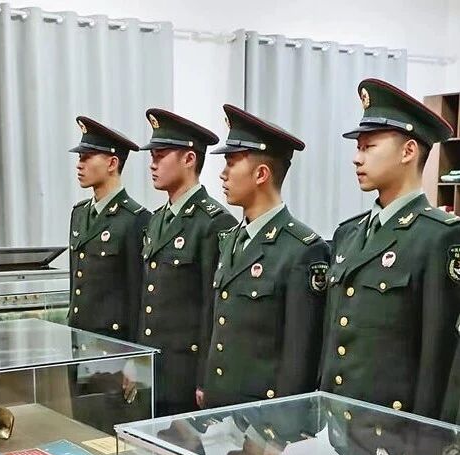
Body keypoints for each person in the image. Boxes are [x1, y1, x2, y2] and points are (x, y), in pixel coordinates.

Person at [320, 79, 460, 419]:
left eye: (369, 147)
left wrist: (426, 439)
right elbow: (333, 335)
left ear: (408, 151)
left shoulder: (438, 237)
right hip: (338, 421)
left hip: (394, 430)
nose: (356, 158)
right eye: (358, 148)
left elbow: (439, 355)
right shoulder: (348, 234)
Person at [201, 104, 329, 409]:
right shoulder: (232, 239)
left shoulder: (301, 248)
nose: (222, 174)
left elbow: (300, 353)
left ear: (261, 174)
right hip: (221, 405)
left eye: (231, 163)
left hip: (262, 413)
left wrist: (282, 422)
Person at [137, 108, 236, 417]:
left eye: (160, 156)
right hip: (153, 367)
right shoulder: (157, 220)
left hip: (185, 371)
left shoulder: (213, 222)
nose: (152, 164)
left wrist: (205, 377)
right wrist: (136, 361)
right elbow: (148, 299)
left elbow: (213, 307)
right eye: (152, 156)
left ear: (189, 159)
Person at [68, 116, 150, 341]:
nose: (79, 164)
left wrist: (135, 353)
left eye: (87, 157)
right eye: (79, 157)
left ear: (112, 163)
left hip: (113, 342)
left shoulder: (135, 219)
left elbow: (137, 293)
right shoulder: (79, 213)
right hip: (79, 336)